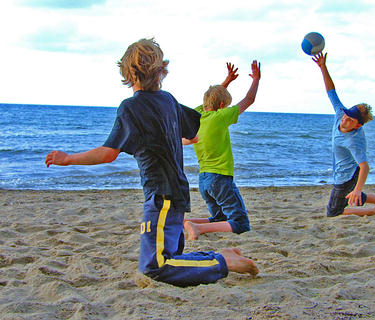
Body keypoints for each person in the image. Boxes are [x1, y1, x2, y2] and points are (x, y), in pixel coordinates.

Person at [45, 38, 258, 287]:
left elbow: (108, 153)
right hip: (177, 194)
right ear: (162, 71)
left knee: (154, 267)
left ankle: (223, 261)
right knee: (171, 258)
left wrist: (68, 159)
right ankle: (221, 257)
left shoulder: (131, 108)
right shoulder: (168, 100)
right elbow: (193, 135)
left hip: (161, 197)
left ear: (128, 74)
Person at [312, 52, 375, 217]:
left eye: (350, 119)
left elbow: (364, 166)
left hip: (346, 176)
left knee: (334, 212)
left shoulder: (353, 141)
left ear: (357, 125)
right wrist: (323, 67)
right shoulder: (340, 114)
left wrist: (357, 188)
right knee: (353, 196)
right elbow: (331, 91)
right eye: (346, 115)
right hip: (348, 172)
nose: (345, 119)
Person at [182, 60, 261, 239]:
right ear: (222, 107)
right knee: (240, 223)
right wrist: (256, 79)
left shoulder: (198, 115)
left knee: (220, 218)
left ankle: (184, 223)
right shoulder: (220, 116)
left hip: (204, 181)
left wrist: (226, 82)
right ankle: (197, 228)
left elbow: (211, 100)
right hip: (220, 180)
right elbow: (249, 100)